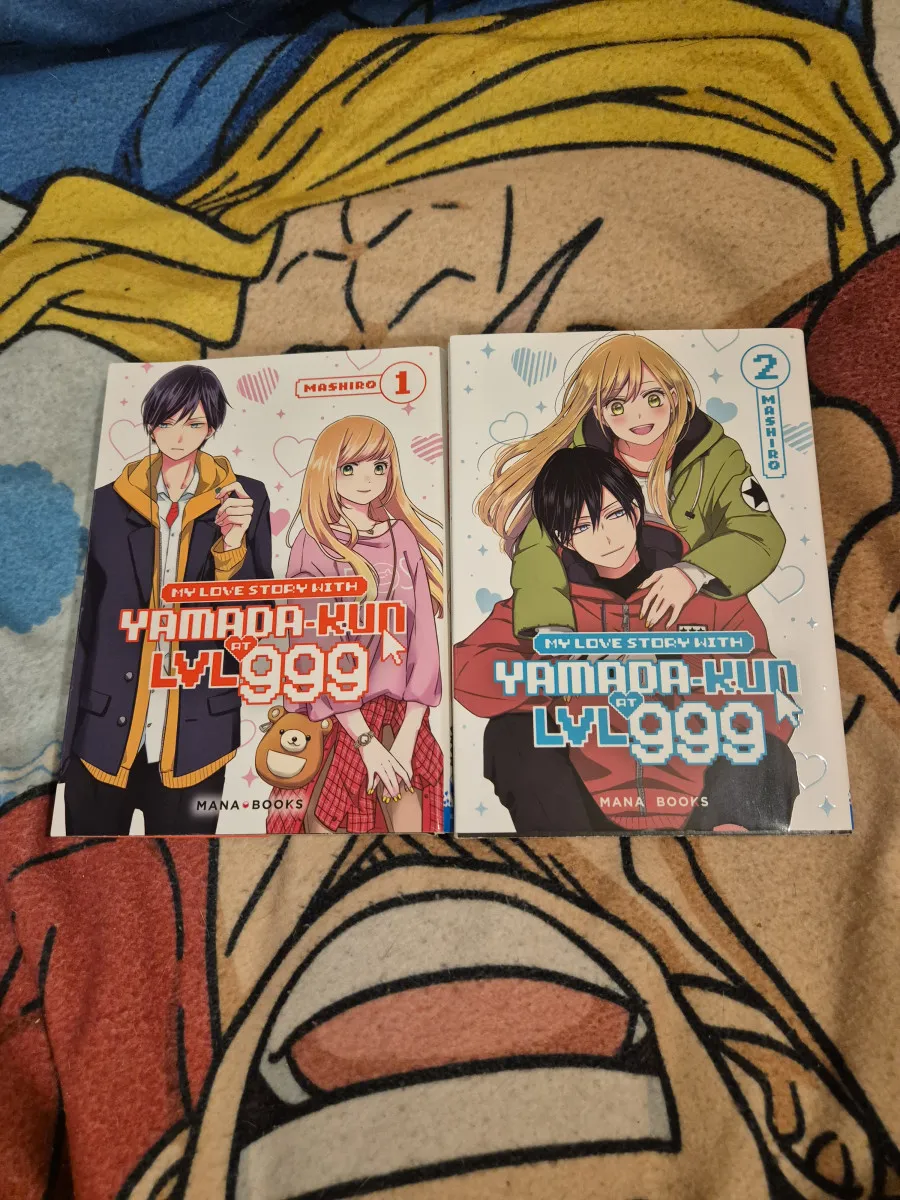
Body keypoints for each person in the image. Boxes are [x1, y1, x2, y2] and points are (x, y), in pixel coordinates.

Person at [456, 446, 799, 834]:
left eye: (614, 514)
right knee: (508, 734)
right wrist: (551, 671)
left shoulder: (708, 597)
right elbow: (466, 672)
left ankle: (731, 847)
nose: (605, 537)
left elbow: (772, 687)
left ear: (635, 511)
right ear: (563, 539)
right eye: (581, 527)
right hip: (583, 811)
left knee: (771, 750)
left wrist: (680, 679)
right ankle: (565, 852)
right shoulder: (543, 607)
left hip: (702, 804)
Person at [61, 364, 272, 835]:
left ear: (211, 427)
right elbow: (80, 628)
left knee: (186, 872)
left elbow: (256, 623)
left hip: (198, 736)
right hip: (101, 737)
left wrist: (232, 546)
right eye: (166, 422)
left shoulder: (246, 499)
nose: (178, 436)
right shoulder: (104, 504)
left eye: (193, 423)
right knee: (85, 867)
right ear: (151, 424)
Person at [476, 334, 787, 636]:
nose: (638, 415)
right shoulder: (580, 462)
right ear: (599, 413)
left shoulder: (717, 455)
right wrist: (552, 626)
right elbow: (538, 544)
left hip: (696, 605)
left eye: (653, 398)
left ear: (674, 396)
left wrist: (692, 573)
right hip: (600, 601)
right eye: (617, 406)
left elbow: (759, 533)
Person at [268, 415, 444, 834]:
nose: (367, 479)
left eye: (378, 466)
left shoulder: (402, 536)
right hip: (336, 718)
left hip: (401, 715)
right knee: (323, 831)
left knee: (414, 826)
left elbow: (423, 640)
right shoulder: (313, 543)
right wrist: (366, 743)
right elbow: (314, 648)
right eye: (349, 467)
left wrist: (406, 737)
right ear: (326, 470)